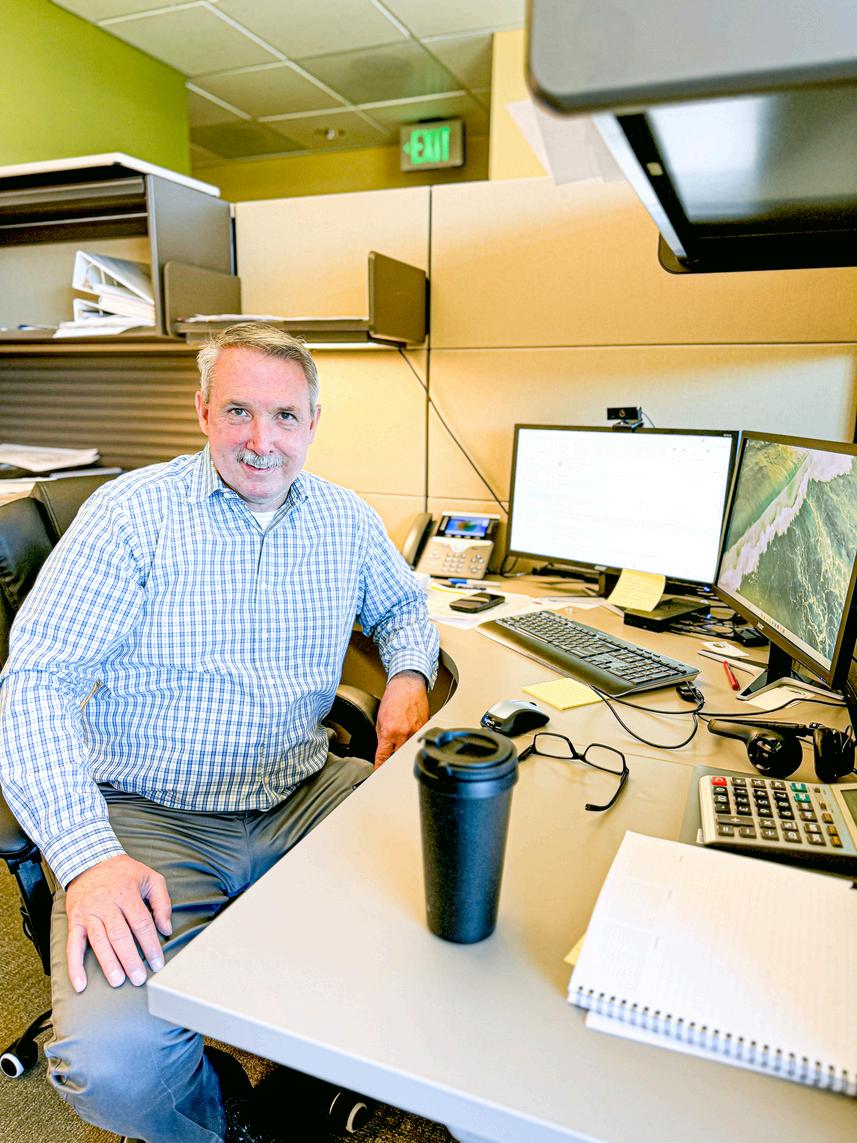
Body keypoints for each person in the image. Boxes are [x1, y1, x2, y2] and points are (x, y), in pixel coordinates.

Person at [0, 322, 439, 1143]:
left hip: (304, 790)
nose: (261, 440)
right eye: (238, 410)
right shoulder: (131, 515)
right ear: (203, 411)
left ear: (313, 422)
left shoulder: (344, 518)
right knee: (115, 1064)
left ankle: (323, 1066)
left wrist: (409, 676)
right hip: (148, 814)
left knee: (467, 878)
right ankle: (224, 1117)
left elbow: (404, 605)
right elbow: (34, 682)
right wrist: (87, 856)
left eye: (284, 415)